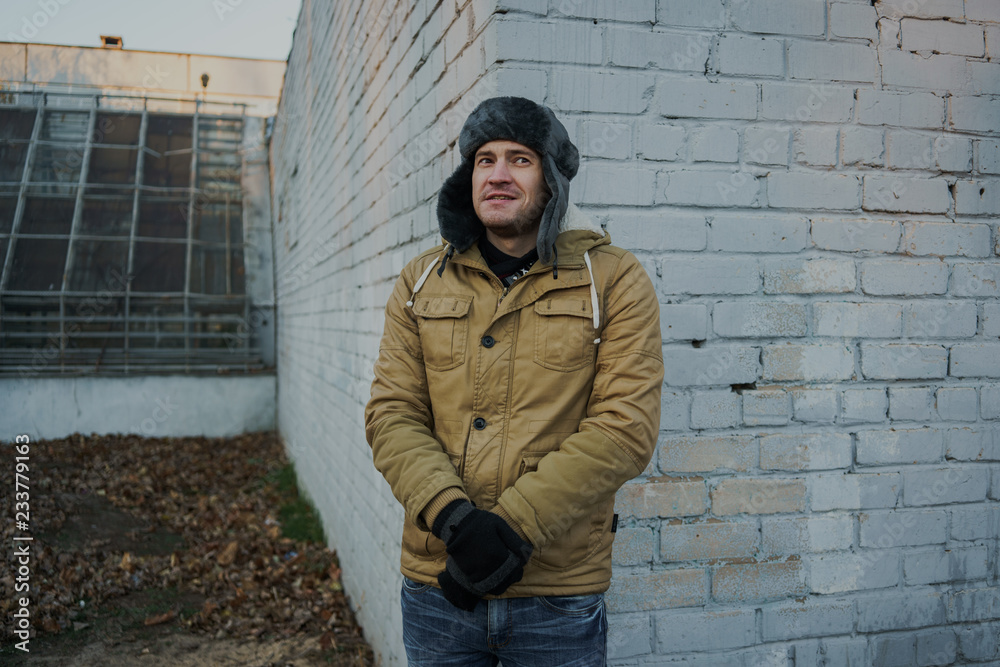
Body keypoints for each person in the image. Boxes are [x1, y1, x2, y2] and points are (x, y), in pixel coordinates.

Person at [364, 96, 663, 666]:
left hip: (556, 594)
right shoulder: (421, 281)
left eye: (520, 159)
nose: (498, 175)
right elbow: (392, 414)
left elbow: (624, 430)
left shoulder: (612, 280)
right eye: (484, 160)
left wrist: (510, 529)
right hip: (437, 589)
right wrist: (455, 519)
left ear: (550, 179)